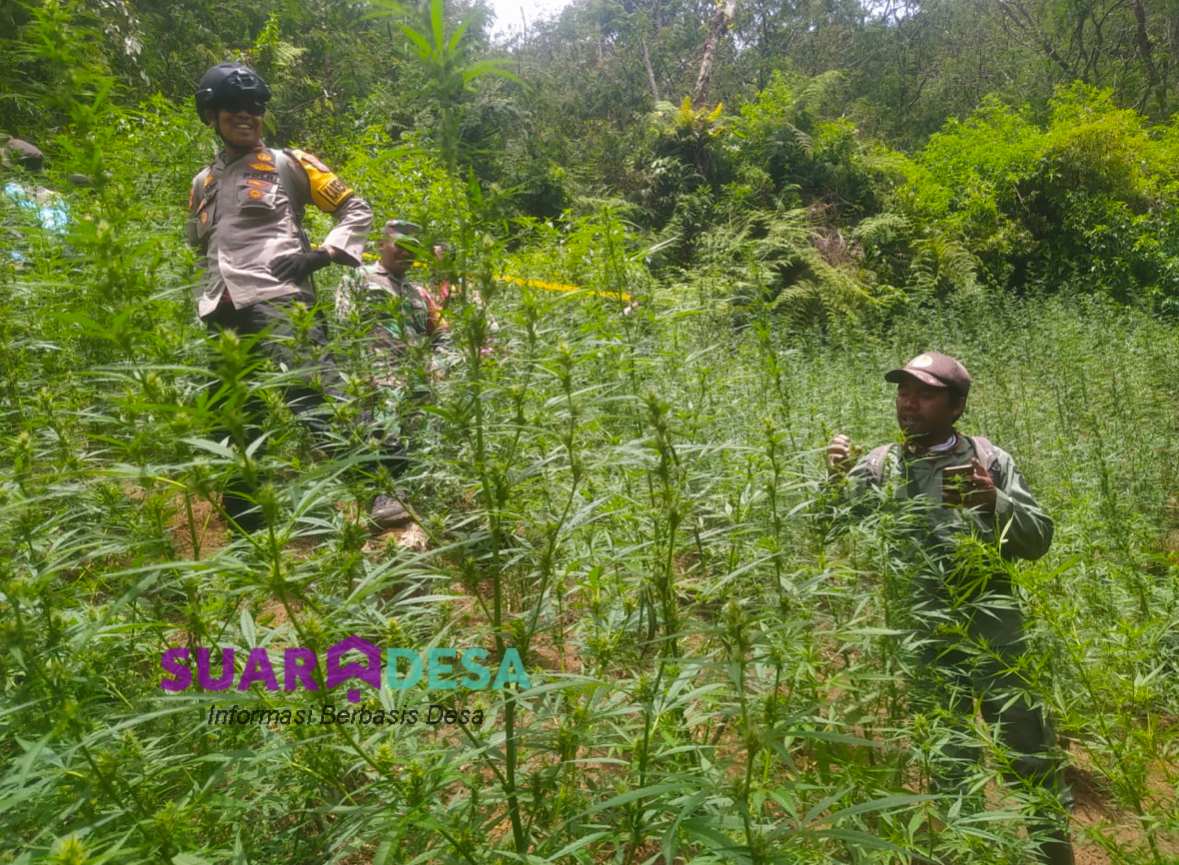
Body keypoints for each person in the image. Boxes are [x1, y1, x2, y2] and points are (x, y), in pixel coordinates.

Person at [825, 351, 1075, 865]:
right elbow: (828, 530)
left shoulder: (989, 460)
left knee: (1030, 755)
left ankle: (1053, 855)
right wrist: (834, 481)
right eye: (902, 391)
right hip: (925, 643)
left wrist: (995, 504)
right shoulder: (880, 467)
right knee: (948, 762)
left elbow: (1040, 539)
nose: (908, 402)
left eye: (924, 393)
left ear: (956, 406)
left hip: (998, 636)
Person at [185, 62, 408, 532]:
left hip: (279, 296)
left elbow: (356, 208)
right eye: (234, 108)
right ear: (211, 114)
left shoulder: (289, 163)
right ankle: (246, 518)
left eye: (255, 108)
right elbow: (201, 242)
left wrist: (323, 255)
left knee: (315, 392)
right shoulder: (202, 183)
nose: (247, 116)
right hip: (221, 305)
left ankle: (378, 490)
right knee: (231, 409)